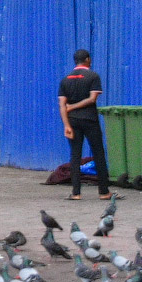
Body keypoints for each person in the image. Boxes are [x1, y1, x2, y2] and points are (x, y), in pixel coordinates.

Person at [59, 49, 111, 200]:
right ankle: (104, 192)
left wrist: (66, 125)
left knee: (75, 155)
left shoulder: (65, 80)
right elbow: (92, 99)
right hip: (90, 120)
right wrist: (75, 107)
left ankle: (76, 193)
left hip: (72, 121)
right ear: (87, 59)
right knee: (98, 154)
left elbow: (62, 105)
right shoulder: (93, 76)